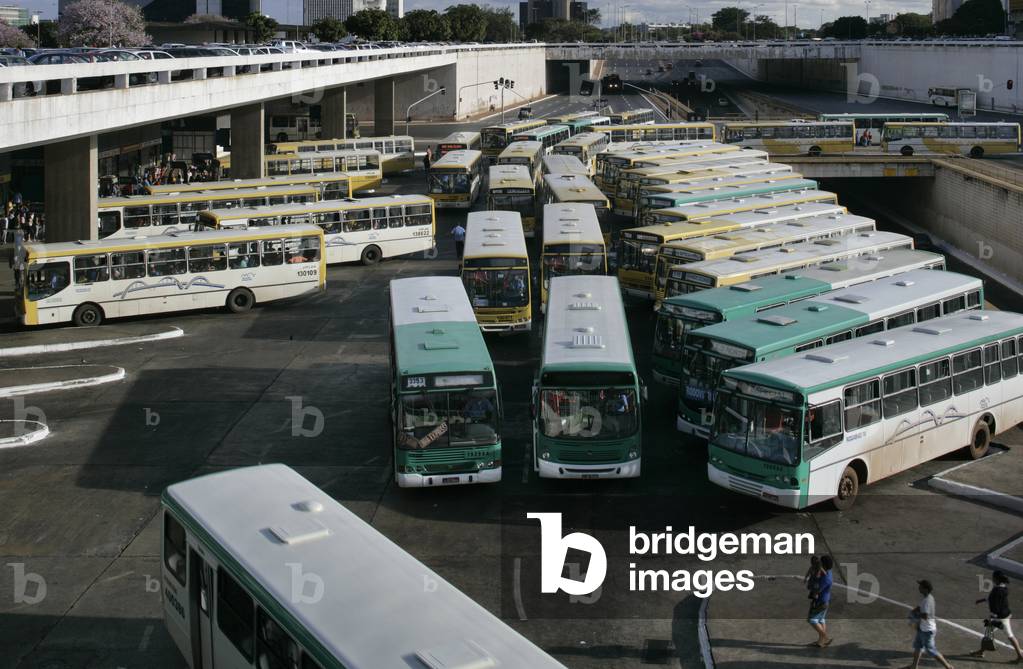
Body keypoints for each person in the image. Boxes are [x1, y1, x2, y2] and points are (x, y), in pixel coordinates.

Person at [971, 570, 1023, 662]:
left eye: (993, 577)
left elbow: (995, 606)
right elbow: (994, 599)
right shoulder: (1004, 588)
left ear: (996, 579)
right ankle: (1020, 656)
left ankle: (981, 652)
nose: (992, 579)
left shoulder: (996, 590)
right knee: (1009, 635)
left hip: (999, 617)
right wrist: (982, 600)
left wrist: (993, 618)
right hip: (1006, 615)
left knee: (988, 633)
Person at [907, 579, 954, 669]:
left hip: (927, 631)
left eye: (921, 586)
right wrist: (914, 610)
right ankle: (914, 666)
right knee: (918, 646)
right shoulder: (928, 598)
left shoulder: (927, 601)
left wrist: (915, 615)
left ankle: (948, 667)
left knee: (931, 650)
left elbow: (925, 616)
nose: (919, 587)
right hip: (923, 628)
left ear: (925, 589)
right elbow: (920, 607)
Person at [808, 554, 833, 647]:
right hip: (826, 601)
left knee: (812, 620)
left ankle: (825, 637)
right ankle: (821, 642)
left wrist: (813, 580)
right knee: (821, 619)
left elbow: (816, 590)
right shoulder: (829, 572)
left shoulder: (825, 579)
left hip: (820, 602)